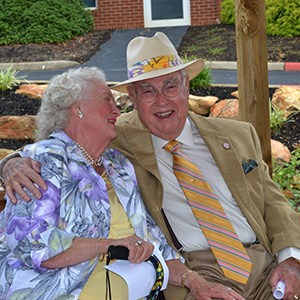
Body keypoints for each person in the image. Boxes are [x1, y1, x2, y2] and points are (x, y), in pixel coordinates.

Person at [1, 32, 300, 300]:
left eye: (170, 85)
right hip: (199, 269)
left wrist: (290, 259)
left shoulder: (237, 135)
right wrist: (10, 164)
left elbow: (274, 202)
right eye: (147, 90)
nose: (161, 101)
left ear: (187, 85)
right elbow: (57, 145)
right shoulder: (118, 139)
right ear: (132, 98)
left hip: (266, 264)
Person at [0, 66, 194, 300]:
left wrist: (195, 282)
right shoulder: (42, 162)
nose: (117, 109)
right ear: (78, 109)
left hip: (125, 285)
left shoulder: (117, 164)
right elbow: (30, 243)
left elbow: (152, 238)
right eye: (107, 101)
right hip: (57, 290)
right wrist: (107, 245)